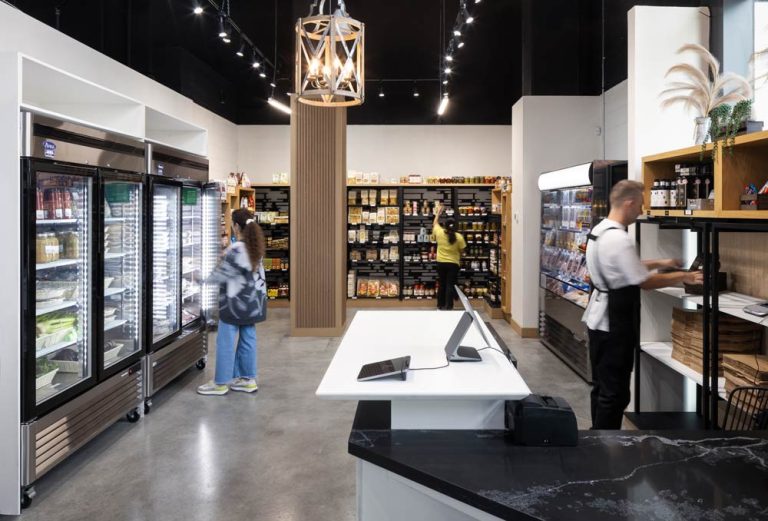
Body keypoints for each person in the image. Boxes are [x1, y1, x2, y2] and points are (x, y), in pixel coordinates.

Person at [583, 180, 703, 429]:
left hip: (597, 319)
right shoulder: (620, 239)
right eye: (639, 204)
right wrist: (685, 276)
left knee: (602, 387)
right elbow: (643, 281)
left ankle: (595, 440)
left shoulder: (600, 231)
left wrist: (662, 261)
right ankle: (604, 445)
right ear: (628, 203)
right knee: (615, 393)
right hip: (613, 324)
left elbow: (626, 267)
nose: (641, 210)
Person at [198, 208, 267, 396]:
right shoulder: (255, 247)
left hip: (235, 304)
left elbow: (221, 275)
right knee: (248, 337)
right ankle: (247, 379)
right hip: (253, 304)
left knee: (225, 341)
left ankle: (220, 383)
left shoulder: (237, 249)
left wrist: (199, 280)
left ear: (236, 226)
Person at [432, 201, 466, 310]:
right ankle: (449, 306)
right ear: (455, 226)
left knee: (442, 284)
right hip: (453, 264)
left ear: (445, 225)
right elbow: (462, 252)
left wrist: (438, 213)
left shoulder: (439, 232)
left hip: (441, 262)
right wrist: (459, 254)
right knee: (450, 285)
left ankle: (440, 305)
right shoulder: (459, 237)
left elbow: (435, 223)